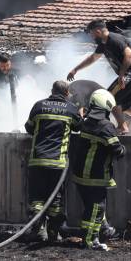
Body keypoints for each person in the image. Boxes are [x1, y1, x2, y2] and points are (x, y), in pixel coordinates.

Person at [67, 20, 131, 135]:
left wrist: (121, 75)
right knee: (124, 104)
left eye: (91, 34)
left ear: (97, 31)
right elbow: (93, 58)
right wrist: (76, 69)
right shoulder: (103, 44)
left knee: (110, 98)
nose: (91, 37)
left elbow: (129, 55)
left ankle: (122, 127)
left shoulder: (114, 39)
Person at [24, 80, 81, 242]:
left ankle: (38, 230)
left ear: (51, 90)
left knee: (36, 198)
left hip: (37, 161)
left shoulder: (38, 106)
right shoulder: (71, 108)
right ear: (66, 93)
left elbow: (29, 128)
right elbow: (79, 127)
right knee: (55, 200)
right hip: (58, 163)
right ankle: (53, 233)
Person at [70, 89, 125, 251]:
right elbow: (118, 151)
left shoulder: (85, 123)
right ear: (107, 107)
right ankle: (88, 240)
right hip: (95, 176)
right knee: (96, 207)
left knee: (92, 207)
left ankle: (102, 231)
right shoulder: (106, 126)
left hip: (80, 175)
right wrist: (124, 148)